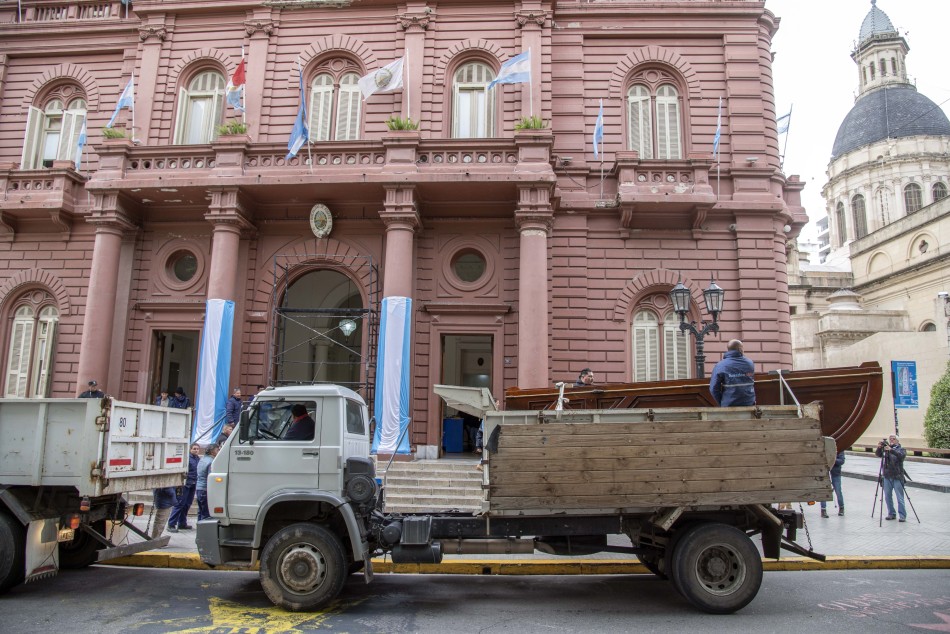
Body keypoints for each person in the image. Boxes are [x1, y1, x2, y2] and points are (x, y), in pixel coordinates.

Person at [709, 340, 755, 406]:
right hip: (749, 403)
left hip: (729, 404)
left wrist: (722, 403)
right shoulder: (750, 363)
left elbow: (713, 388)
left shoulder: (720, 365)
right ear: (740, 349)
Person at [167, 443, 200, 532]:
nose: (196, 450)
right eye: (194, 449)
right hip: (185, 484)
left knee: (187, 504)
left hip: (193, 484)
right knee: (179, 504)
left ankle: (182, 523)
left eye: (197, 449)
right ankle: (171, 524)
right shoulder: (187, 458)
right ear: (190, 449)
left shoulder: (197, 458)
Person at [876, 434, 908, 522]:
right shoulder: (886, 450)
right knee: (887, 496)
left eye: (894, 439)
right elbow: (878, 455)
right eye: (891, 439)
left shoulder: (901, 449)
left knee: (899, 497)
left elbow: (901, 456)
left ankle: (902, 515)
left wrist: (892, 450)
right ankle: (891, 513)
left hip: (897, 476)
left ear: (898, 440)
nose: (892, 440)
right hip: (887, 476)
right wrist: (879, 448)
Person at [196, 444, 219, 522]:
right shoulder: (211, 462)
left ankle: (199, 528)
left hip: (199, 488)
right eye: (217, 450)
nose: (218, 452)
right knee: (206, 514)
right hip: (205, 489)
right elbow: (211, 477)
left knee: (200, 511)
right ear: (212, 452)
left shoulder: (202, 459)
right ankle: (204, 531)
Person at [821, 451, 846, 517]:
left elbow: (841, 461)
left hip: (836, 473)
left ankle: (841, 508)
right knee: (823, 491)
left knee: (838, 491)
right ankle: (823, 510)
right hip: (825, 473)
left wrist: (832, 460)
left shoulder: (839, 448)